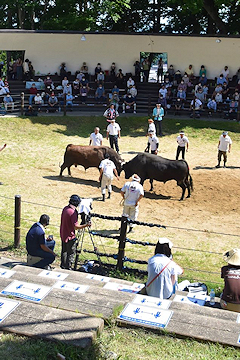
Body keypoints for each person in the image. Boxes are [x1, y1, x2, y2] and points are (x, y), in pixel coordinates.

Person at [60, 195, 91, 270]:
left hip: (63, 233)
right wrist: (86, 225)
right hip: (70, 236)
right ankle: (68, 267)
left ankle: (63, 266)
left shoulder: (65, 208)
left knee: (64, 251)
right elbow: (76, 227)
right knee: (71, 252)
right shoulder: (73, 212)